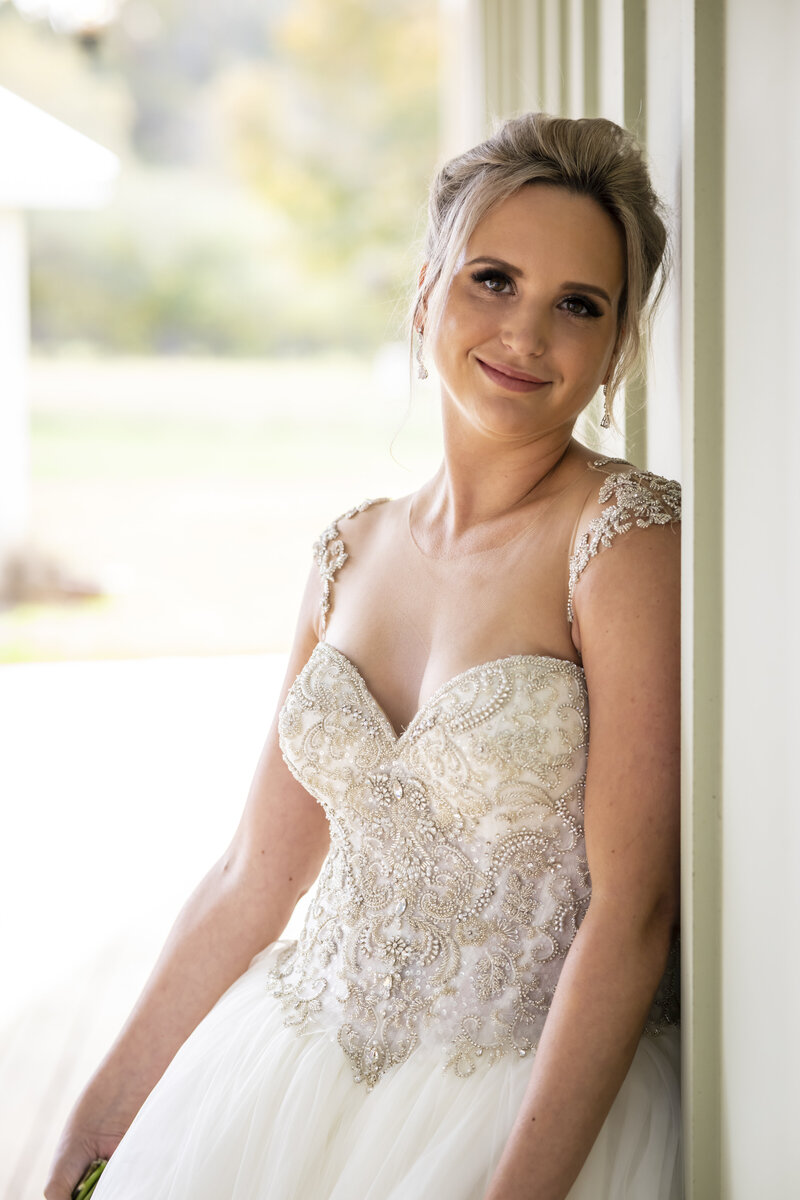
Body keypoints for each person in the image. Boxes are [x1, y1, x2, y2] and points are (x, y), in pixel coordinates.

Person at [45, 111, 682, 1200]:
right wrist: (92, 1133)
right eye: (492, 279)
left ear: (615, 344)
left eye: (577, 305)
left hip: (506, 1104)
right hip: (285, 1074)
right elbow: (255, 875)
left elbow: (634, 912)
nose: (525, 334)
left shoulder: (622, 540)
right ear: (426, 286)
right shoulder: (349, 549)